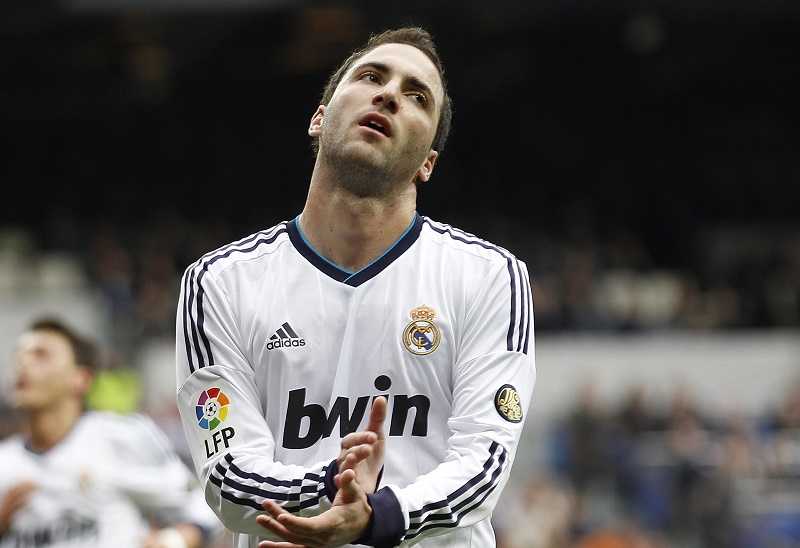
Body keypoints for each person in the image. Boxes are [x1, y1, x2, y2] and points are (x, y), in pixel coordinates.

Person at [175, 26, 535, 548]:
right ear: (319, 119)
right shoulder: (221, 283)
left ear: (428, 162)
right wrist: (330, 489)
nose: (389, 94)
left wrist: (376, 517)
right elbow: (226, 474)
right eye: (371, 76)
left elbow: (485, 463)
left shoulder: (489, 276)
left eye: (417, 96)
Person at [0, 318, 220, 548]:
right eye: (19, 354)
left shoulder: (121, 439)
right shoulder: (4, 462)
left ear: (81, 379)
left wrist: (172, 540)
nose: (22, 362)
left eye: (41, 354)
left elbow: (203, 506)